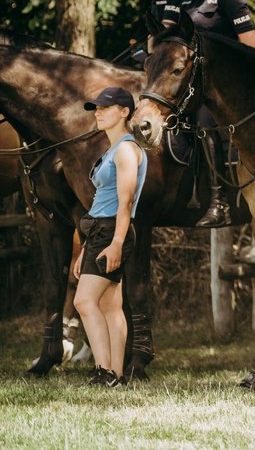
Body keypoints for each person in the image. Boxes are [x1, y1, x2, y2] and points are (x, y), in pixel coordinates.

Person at [181, 0, 255, 226]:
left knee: (203, 124)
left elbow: (250, 45)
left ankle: (219, 201)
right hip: (191, 81)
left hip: (222, 87)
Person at [72, 87, 148, 387]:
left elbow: (125, 202)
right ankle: (115, 374)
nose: (98, 112)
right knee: (109, 305)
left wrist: (116, 242)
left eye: (106, 107)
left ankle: (104, 371)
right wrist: (85, 248)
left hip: (111, 231)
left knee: (83, 301)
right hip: (99, 230)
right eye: (96, 108)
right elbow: (102, 200)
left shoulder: (127, 150)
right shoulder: (113, 150)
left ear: (125, 112)